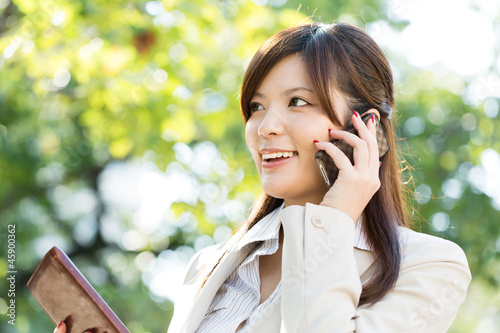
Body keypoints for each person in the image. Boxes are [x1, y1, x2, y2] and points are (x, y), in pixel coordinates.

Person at [53, 22, 471, 333]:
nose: (266, 127)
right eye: (256, 106)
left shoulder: (430, 266)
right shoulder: (208, 266)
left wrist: (336, 217)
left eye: (298, 102)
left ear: (365, 129)